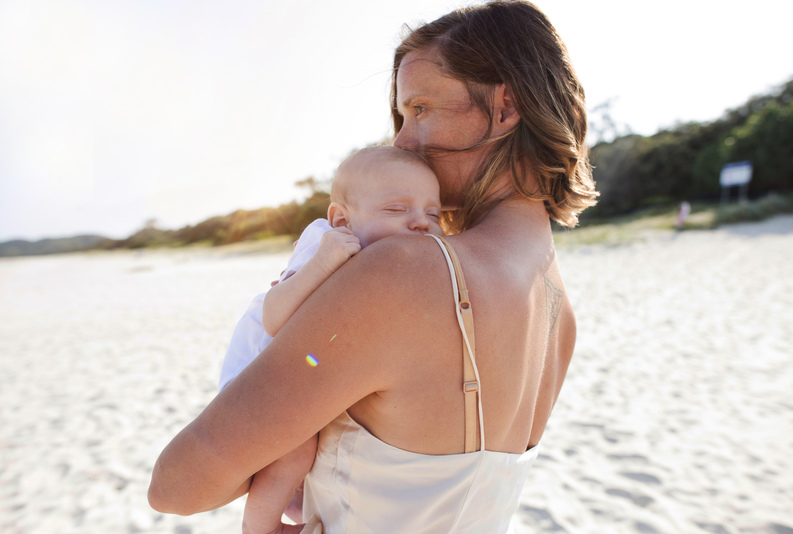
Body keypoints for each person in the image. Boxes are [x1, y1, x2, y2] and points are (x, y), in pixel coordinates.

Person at [148, 2, 599, 533]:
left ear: (506, 107)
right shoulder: (559, 316)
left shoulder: (405, 272)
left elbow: (177, 485)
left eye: (421, 107)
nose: (403, 140)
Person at [216, 145, 444, 534]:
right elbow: (273, 317)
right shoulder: (327, 243)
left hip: (299, 373)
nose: (421, 222)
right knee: (295, 453)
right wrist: (322, 263)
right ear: (341, 219)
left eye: (434, 213)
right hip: (256, 374)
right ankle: (261, 529)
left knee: (310, 456)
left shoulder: (395, 260)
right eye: (396, 209)